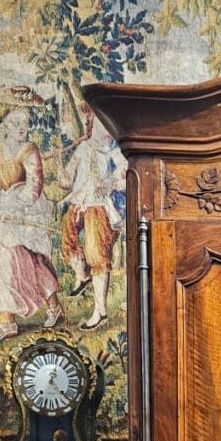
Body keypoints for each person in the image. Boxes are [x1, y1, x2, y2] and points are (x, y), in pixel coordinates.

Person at [0, 107, 62, 341]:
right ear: (5, 125)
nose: (21, 127)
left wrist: (15, 208)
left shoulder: (30, 150)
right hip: (4, 207)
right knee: (7, 262)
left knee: (30, 262)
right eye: (16, 122)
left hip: (27, 210)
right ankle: (6, 320)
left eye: (25, 122)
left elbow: (34, 187)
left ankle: (52, 305)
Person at [59, 110, 126, 331]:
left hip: (101, 206)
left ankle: (100, 310)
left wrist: (111, 182)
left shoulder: (114, 151)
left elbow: (125, 176)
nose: (106, 129)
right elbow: (67, 177)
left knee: (96, 253)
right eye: (101, 123)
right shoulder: (84, 147)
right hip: (79, 202)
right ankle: (80, 273)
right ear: (92, 123)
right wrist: (64, 176)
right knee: (67, 239)